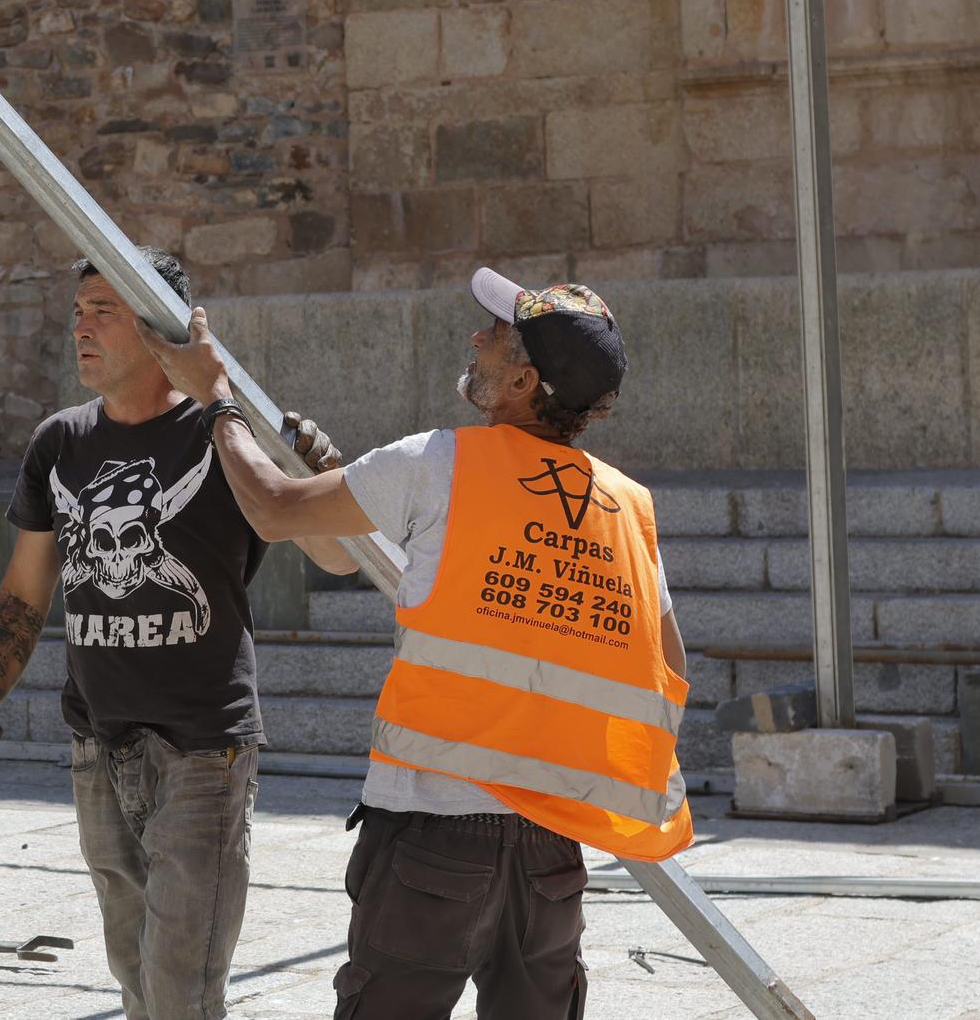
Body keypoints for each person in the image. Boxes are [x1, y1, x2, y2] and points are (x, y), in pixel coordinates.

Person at [138, 266, 692, 1020]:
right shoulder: (627, 507)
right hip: (552, 854)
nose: (476, 337)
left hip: (433, 841)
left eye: (496, 335)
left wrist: (217, 399)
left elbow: (271, 507)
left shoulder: (441, 462)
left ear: (524, 380)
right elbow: (670, 669)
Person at [0, 245, 355, 1020]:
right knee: (137, 988)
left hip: (202, 753)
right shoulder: (60, 444)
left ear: (161, 331)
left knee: (180, 997)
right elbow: (24, 593)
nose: (81, 330)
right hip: (98, 749)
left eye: (104, 313)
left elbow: (334, 553)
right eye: (77, 313)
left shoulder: (221, 435)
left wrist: (319, 470)